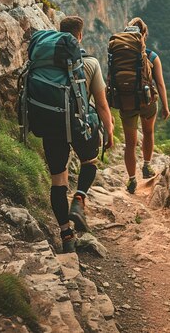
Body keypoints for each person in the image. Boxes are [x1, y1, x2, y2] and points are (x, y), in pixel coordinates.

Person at [43, 15, 114, 252]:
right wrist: (110, 130)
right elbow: (102, 105)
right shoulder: (91, 64)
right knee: (89, 160)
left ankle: (66, 235)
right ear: (80, 36)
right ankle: (80, 198)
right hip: (80, 127)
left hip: (52, 126)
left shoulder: (46, 62)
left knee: (58, 179)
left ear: (60, 33)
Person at [119, 17, 170, 194]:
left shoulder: (119, 54)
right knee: (148, 132)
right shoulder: (151, 56)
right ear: (144, 35)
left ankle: (132, 180)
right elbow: (161, 84)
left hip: (125, 101)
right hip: (147, 101)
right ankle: (147, 166)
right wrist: (165, 106)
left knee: (129, 143)